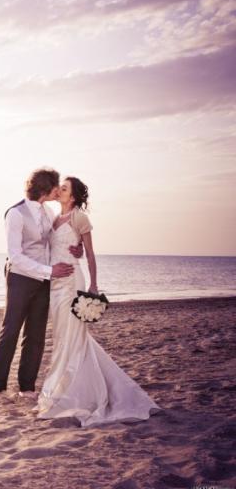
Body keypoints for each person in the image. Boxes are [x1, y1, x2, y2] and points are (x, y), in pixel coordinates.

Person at [32, 176, 162, 427]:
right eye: (60, 187)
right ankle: (60, 389)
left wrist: (93, 284)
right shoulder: (52, 217)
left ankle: (73, 394)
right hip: (55, 285)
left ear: (73, 196)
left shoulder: (79, 217)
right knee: (61, 338)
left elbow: (89, 253)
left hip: (72, 282)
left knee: (73, 336)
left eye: (64, 188)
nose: (59, 190)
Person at [0, 168, 82, 404]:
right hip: (20, 277)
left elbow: (55, 242)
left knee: (36, 334)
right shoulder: (15, 214)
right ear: (47, 189)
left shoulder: (48, 212)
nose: (58, 190)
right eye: (56, 186)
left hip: (43, 281)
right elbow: (15, 256)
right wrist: (50, 271)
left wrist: (76, 249)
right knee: (10, 331)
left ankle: (26, 387)